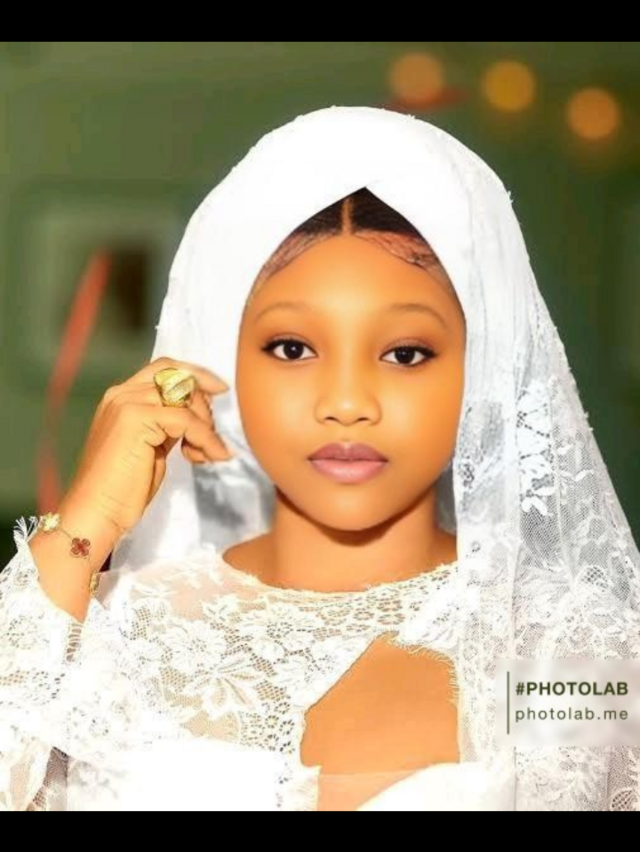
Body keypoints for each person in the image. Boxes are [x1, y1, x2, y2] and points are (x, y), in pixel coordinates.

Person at [1, 105, 639, 811]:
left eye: (405, 353)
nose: (346, 402)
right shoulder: (107, 630)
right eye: (292, 348)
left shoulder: (564, 651)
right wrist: (81, 530)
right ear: (225, 360)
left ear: (482, 369)